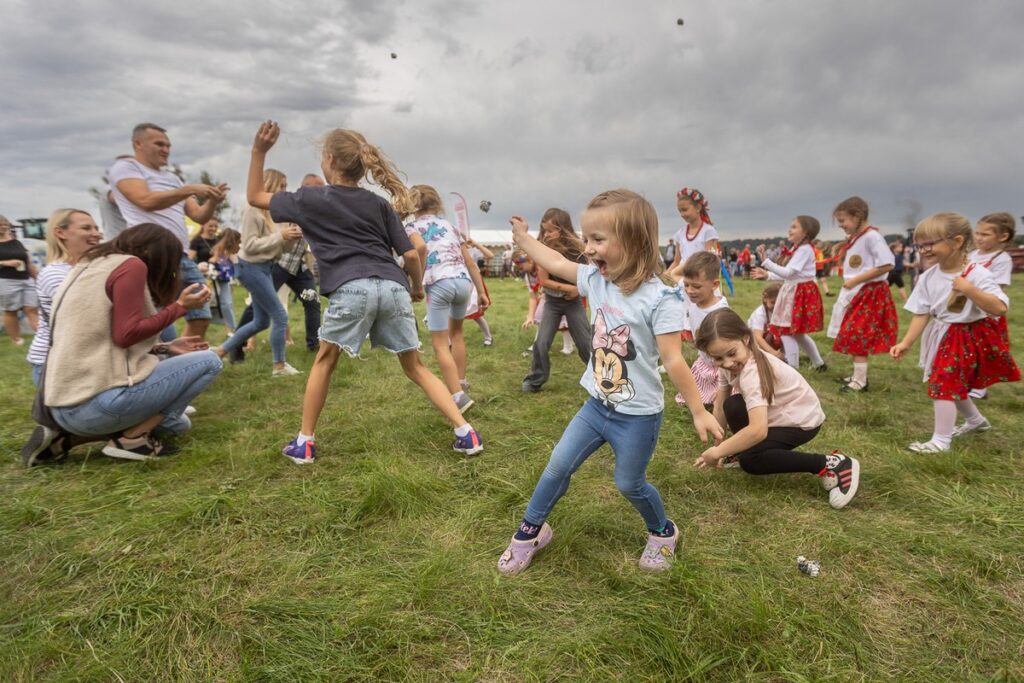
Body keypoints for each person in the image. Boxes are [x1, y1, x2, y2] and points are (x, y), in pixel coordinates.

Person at [497, 190, 723, 576]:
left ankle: (663, 532)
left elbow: (673, 359)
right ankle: (530, 532)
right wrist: (524, 239)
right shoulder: (595, 279)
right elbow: (552, 260)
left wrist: (700, 410)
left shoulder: (662, 298)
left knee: (629, 484)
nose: (588, 249)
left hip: (637, 416)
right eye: (587, 238)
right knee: (556, 467)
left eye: (598, 240)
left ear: (634, 242)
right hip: (595, 406)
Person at [244, 121, 483, 463]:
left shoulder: (310, 198)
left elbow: (255, 197)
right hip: (392, 286)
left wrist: (259, 152)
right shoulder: (379, 203)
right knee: (415, 365)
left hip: (350, 287)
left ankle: (304, 442)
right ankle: (465, 431)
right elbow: (412, 254)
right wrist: (416, 288)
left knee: (325, 360)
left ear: (329, 160)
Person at [39, 224, 222, 460]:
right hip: (93, 402)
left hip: (62, 406)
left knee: (179, 425)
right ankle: (132, 439)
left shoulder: (90, 264)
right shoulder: (131, 265)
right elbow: (126, 335)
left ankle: (69, 438)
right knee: (209, 361)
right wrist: (180, 308)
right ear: (155, 254)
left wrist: (165, 347)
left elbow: (99, 337)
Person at [692, 309, 860, 509]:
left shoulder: (752, 374)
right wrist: (718, 447)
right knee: (733, 405)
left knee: (751, 461)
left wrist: (718, 452)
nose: (727, 363)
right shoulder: (731, 364)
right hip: (778, 414)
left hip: (801, 422)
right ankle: (741, 451)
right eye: (718, 358)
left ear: (745, 339)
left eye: (731, 353)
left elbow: (758, 430)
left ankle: (833, 463)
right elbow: (720, 405)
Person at [890, 213, 1019, 453]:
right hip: (941, 336)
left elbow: (999, 308)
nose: (923, 250)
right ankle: (976, 421)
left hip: (967, 337)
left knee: (944, 384)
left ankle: (941, 441)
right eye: (920, 245)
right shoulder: (928, 276)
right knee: (952, 383)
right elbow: (922, 313)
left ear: (957, 241)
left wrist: (969, 289)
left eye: (930, 243)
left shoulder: (976, 273)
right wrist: (906, 342)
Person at [108, 122, 229, 340]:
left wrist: (211, 201)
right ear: (138, 144)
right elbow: (144, 201)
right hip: (148, 254)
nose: (166, 150)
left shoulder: (173, 179)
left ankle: (183, 359)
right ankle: (159, 359)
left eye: (168, 145)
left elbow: (199, 216)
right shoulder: (126, 167)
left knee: (201, 310)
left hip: (179, 254)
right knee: (153, 314)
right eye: (159, 144)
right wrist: (190, 188)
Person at [404, 184, 490, 412]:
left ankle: (457, 396)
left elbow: (416, 253)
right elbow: (471, 262)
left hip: (438, 284)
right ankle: (461, 380)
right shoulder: (450, 226)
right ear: (437, 204)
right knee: (457, 333)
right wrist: (481, 292)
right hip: (463, 282)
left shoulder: (411, 227)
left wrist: (416, 285)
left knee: (440, 343)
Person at [214, 169, 303, 375]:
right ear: (270, 185)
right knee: (280, 316)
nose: (284, 190)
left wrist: (291, 238)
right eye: (282, 186)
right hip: (250, 267)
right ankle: (279, 366)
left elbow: (280, 248)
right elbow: (251, 245)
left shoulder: (274, 213)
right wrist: (281, 235)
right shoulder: (252, 211)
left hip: (265, 267)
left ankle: (220, 351)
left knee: (261, 321)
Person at [826, 197, 897, 393]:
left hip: (869, 292)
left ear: (858, 216)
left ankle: (860, 381)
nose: (841, 226)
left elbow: (887, 264)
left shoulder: (872, 237)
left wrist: (856, 280)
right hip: (858, 291)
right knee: (852, 333)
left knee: (858, 333)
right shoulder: (858, 238)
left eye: (843, 221)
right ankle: (858, 375)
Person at [26, 209, 103, 386]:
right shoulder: (56, 274)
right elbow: (92, 316)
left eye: (96, 228)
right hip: (56, 366)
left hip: (80, 360)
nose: (96, 234)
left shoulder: (90, 268)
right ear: (60, 233)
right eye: (86, 228)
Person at [521, 208, 592, 393]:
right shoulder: (543, 250)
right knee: (542, 342)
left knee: (585, 342)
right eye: (544, 230)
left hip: (573, 304)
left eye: (551, 230)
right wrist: (571, 288)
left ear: (563, 228)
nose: (547, 234)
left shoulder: (578, 249)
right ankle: (535, 379)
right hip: (552, 303)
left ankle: (600, 378)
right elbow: (544, 281)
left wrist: (579, 290)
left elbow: (587, 276)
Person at [751, 216, 827, 371]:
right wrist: (768, 275)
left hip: (799, 294)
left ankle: (792, 367)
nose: (790, 229)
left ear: (805, 232)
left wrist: (766, 262)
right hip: (795, 291)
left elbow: (788, 272)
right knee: (797, 333)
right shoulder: (799, 249)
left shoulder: (804, 250)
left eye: (794, 227)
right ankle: (819, 363)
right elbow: (791, 275)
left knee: (786, 332)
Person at [966, 213, 1015, 400]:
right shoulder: (971, 255)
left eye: (985, 234)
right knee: (968, 348)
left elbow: (997, 289)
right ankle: (969, 380)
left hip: (987, 313)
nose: (978, 238)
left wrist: (973, 291)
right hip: (968, 310)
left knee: (985, 351)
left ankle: (981, 387)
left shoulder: (1002, 259)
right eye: (977, 233)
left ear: (1002, 237)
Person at [675, 251, 730, 406]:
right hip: (705, 360)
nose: (690, 290)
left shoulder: (720, 311)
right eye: (686, 285)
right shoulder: (694, 303)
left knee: (722, 398)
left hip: (722, 363)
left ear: (714, 285)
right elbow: (672, 274)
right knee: (691, 395)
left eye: (696, 286)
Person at [0, 214, 38, 345]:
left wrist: (38, 278)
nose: (3, 227)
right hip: (6, 280)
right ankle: (16, 339)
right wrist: (5, 263)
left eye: (5, 224)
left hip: (26, 279)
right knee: (11, 310)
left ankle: (41, 337)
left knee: (32, 308)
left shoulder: (16, 241)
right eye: (0, 224)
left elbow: (28, 261)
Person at [668, 187, 720, 271]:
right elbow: (676, 262)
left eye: (685, 210)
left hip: (700, 278)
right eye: (680, 211)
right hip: (682, 277)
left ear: (698, 208)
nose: (682, 214)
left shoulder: (708, 232)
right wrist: (664, 276)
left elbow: (711, 262)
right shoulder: (679, 234)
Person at [462, 238, 495, 346]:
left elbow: (490, 255)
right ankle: (449, 340)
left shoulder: (472, 251)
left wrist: (476, 244)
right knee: (451, 313)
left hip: (473, 283)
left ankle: (488, 337)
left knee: (476, 313)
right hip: (459, 282)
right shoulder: (452, 249)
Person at [209, 228, 241, 334]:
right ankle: (232, 328)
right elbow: (213, 259)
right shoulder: (220, 249)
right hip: (219, 279)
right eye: (238, 242)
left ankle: (231, 329)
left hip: (224, 279)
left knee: (226, 304)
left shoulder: (228, 251)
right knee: (225, 304)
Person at [748, 282, 784, 359]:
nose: (776, 306)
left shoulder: (783, 311)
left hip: (770, 337)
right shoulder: (760, 313)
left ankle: (786, 355)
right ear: (765, 299)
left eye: (780, 303)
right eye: (773, 302)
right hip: (753, 341)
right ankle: (765, 355)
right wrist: (773, 352)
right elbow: (757, 337)